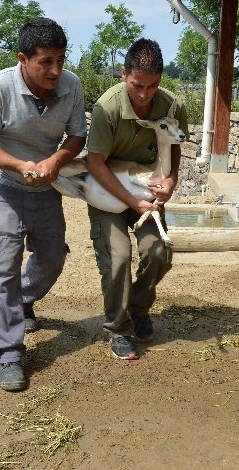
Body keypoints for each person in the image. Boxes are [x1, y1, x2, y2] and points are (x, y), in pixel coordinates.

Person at [0, 17, 87, 391]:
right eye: (46, 61)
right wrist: (21, 165)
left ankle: (21, 300)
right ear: (24, 59)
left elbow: (78, 135)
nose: (56, 70)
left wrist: (55, 162)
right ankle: (9, 353)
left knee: (53, 257)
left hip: (46, 185)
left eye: (61, 60)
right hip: (3, 184)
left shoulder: (72, 86)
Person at [86, 38, 189, 360]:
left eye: (153, 86)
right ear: (123, 74)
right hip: (109, 192)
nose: (144, 94)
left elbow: (174, 149)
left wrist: (171, 181)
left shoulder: (172, 107)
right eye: (137, 85)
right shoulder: (109, 107)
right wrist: (132, 202)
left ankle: (139, 308)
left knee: (159, 252)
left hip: (148, 190)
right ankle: (117, 328)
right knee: (118, 258)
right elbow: (95, 163)